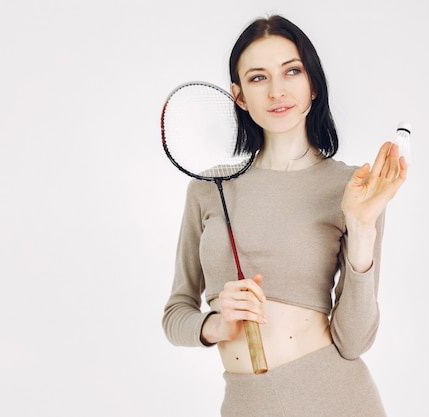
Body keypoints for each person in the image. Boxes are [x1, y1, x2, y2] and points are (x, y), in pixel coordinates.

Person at [162, 14, 407, 417]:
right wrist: (216, 325)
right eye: (258, 78)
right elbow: (176, 314)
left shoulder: (352, 188)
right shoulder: (208, 189)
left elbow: (355, 341)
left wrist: (363, 226)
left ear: (312, 86)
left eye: (292, 71)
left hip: (335, 397)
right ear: (238, 96)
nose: (277, 91)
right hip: (245, 404)